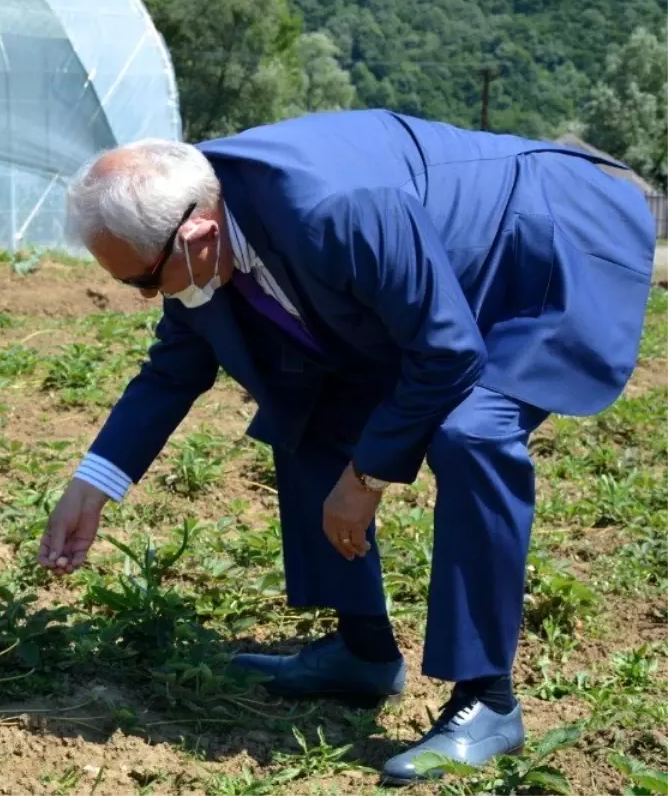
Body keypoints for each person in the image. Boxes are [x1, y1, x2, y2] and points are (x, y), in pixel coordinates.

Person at [36, 109, 656, 784]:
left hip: (531, 250)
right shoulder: (189, 211)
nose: (145, 297)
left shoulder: (337, 209)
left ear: (198, 235)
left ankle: (488, 700)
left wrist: (364, 477)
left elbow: (446, 353)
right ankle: (363, 652)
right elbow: (174, 369)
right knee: (303, 403)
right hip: (416, 278)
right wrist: (91, 484)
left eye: (144, 281)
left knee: (473, 434)